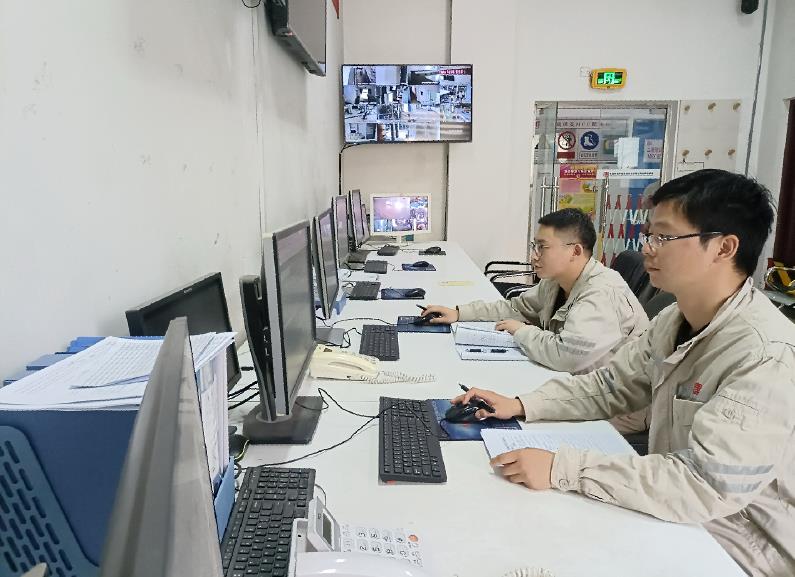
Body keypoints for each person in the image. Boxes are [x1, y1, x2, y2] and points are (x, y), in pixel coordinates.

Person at [454, 170, 794, 577]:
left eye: (663, 237)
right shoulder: (674, 319)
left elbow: (702, 485)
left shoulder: (765, 354)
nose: (647, 248)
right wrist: (521, 404)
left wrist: (563, 468)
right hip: (680, 519)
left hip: (743, 549)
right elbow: (612, 386)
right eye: (649, 235)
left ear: (724, 247)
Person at [423, 208, 649, 376]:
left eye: (543, 247)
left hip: (615, 408)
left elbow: (566, 355)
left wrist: (521, 331)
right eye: (535, 246)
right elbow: (517, 307)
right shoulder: (555, 281)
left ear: (575, 251)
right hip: (575, 384)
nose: (534, 256)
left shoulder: (602, 293)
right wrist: (459, 313)